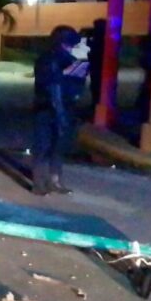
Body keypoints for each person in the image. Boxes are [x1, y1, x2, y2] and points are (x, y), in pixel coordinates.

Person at [31, 25, 88, 196]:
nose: (71, 47)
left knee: (57, 146)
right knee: (44, 146)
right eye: (69, 44)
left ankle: (53, 181)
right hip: (48, 108)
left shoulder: (68, 59)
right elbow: (50, 86)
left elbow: (76, 85)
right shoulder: (47, 59)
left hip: (61, 108)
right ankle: (40, 183)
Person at [86, 18, 106, 108]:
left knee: (97, 86)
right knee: (97, 86)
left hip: (97, 65)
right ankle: (97, 104)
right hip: (98, 65)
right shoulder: (103, 36)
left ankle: (96, 105)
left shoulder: (98, 37)